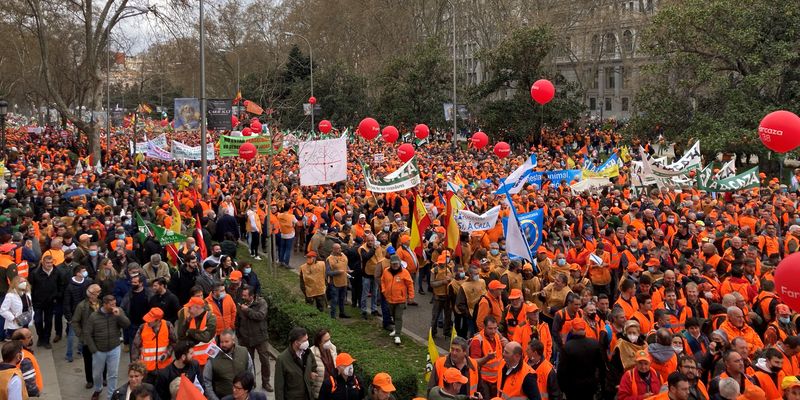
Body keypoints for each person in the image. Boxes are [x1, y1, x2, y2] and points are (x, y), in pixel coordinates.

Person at [87, 295, 131, 400]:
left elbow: (127, 324)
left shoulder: (118, 311)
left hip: (114, 348)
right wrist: (93, 349)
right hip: (99, 350)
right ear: (105, 304)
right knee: (97, 374)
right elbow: (87, 333)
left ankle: (111, 395)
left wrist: (119, 316)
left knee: (113, 374)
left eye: (115, 304)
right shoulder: (94, 316)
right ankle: (98, 389)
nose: (113, 306)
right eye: (111, 305)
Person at [557, 318, 606, 399]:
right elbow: (602, 367)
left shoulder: (567, 347)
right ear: (585, 328)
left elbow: (561, 371)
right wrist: (600, 384)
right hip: (590, 386)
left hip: (572, 388)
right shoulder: (594, 344)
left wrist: (562, 388)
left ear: (572, 329)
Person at [235, 284, 272, 392]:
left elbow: (260, 316)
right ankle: (252, 382)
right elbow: (237, 321)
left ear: (252, 296)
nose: (243, 297)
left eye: (245, 295)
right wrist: (239, 336)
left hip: (260, 338)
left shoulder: (261, 303)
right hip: (246, 339)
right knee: (248, 363)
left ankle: (266, 382)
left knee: (265, 361)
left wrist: (247, 310)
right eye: (242, 295)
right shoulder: (240, 304)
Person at [203, 329, 254, 400]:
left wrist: (250, 392)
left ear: (233, 341)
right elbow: (206, 381)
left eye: (227, 342)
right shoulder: (213, 358)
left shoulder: (244, 352)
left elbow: (250, 372)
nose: (223, 344)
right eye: (221, 342)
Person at [72, 283, 102, 389]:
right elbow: (75, 322)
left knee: (103, 359)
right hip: (88, 338)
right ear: (90, 294)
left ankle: (103, 378)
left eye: (99, 292)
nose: (99, 294)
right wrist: (81, 334)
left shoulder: (101, 303)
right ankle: (90, 380)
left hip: (101, 337)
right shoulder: (82, 306)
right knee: (88, 360)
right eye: (97, 292)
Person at [29, 254, 62, 349]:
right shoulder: (35, 273)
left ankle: (46, 340)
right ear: (43, 263)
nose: (49, 264)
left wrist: (57, 295)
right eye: (47, 263)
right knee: (38, 321)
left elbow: (60, 285)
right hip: (38, 302)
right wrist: (32, 299)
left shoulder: (57, 272)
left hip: (51, 302)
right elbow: (31, 287)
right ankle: (40, 336)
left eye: (51, 262)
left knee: (48, 322)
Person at [381, 255, 414, 344]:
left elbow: (410, 284)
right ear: (390, 264)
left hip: (401, 300)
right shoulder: (386, 271)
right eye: (393, 264)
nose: (395, 265)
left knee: (398, 317)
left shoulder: (405, 272)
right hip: (390, 299)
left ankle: (398, 335)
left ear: (399, 263)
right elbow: (382, 281)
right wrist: (384, 291)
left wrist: (411, 296)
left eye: (397, 263)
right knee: (393, 315)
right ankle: (396, 329)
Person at [132, 307, 177, 372]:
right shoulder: (142, 327)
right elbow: (135, 347)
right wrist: (136, 365)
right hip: (146, 369)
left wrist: (167, 354)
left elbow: (173, 343)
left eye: (150, 320)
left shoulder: (168, 326)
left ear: (158, 320)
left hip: (164, 368)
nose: (147, 321)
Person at [177, 295, 217, 369]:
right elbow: (181, 336)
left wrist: (191, 332)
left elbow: (206, 337)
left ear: (197, 308)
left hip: (209, 358)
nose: (188, 310)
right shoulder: (189, 318)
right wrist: (186, 323)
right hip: (193, 359)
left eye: (190, 308)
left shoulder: (211, 317)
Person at [275, 327, 315, 400]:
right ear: (296, 342)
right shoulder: (282, 359)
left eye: (307, 339)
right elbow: (279, 387)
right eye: (304, 340)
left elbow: (314, 366)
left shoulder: (308, 352)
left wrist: (311, 374)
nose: (307, 342)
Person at [10, 328, 41, 397]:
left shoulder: (14, 351)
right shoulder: (25, 358)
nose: (32, 337)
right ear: (21, 341)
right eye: (29, 337)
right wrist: (36, 393)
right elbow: (30, 384)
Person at [0, 276, 32, 341]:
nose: (24, 283)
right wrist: (14, 318)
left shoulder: (27, 294)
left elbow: (30, 307)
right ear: (16, 283)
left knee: (25, 342)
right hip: (14, 326)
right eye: (21, 282)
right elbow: (3, 310)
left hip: (25, 323)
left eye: (25, 281)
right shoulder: (10, 295)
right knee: (16, 344)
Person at [309, 329, 337, 399]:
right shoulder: (311, 353)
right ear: (319, 342)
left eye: (329, 339)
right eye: (326, 341)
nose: (329, 343)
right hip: (320, 391)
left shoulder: (333, 349)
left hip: (333, 389)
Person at [430, 254, 453, 338]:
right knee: (435, 316)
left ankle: (446, 331)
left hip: (447, 296)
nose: (441, 264)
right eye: (440, 263)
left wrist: (450, 279)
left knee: (448, 315)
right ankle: (433, 332)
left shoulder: (448, 270)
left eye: (443, 263)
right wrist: (442, 282)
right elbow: (432, 283)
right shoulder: (434, 270)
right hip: (438, 297)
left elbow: (452, 281)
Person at [326, 243, 351, 319]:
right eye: (338, 248)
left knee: (342, 299)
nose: (340, 249)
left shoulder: (343, 256)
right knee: (334, 300)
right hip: (334, 283)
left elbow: (345, 265)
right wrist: (337, 272)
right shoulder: (329, 259)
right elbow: (328, 272)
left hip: (343, 281)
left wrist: (348, 270)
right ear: (333, 249)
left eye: (340, 248)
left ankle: (342, 313)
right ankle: (333, 316)